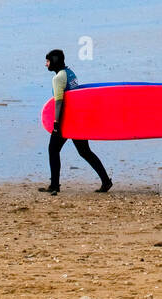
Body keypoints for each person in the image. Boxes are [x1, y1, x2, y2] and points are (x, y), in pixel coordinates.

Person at [39, 49, 111, 194]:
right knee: (85, 151)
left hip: (67, 120)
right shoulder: (70, 72)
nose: (46, 65)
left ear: (54, 61)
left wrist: (56, 123)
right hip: (78, 118)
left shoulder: (58, 78)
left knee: (53, 150)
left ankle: (54, 185)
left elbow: (59, 101)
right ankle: (106, 181)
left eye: (47, 61)